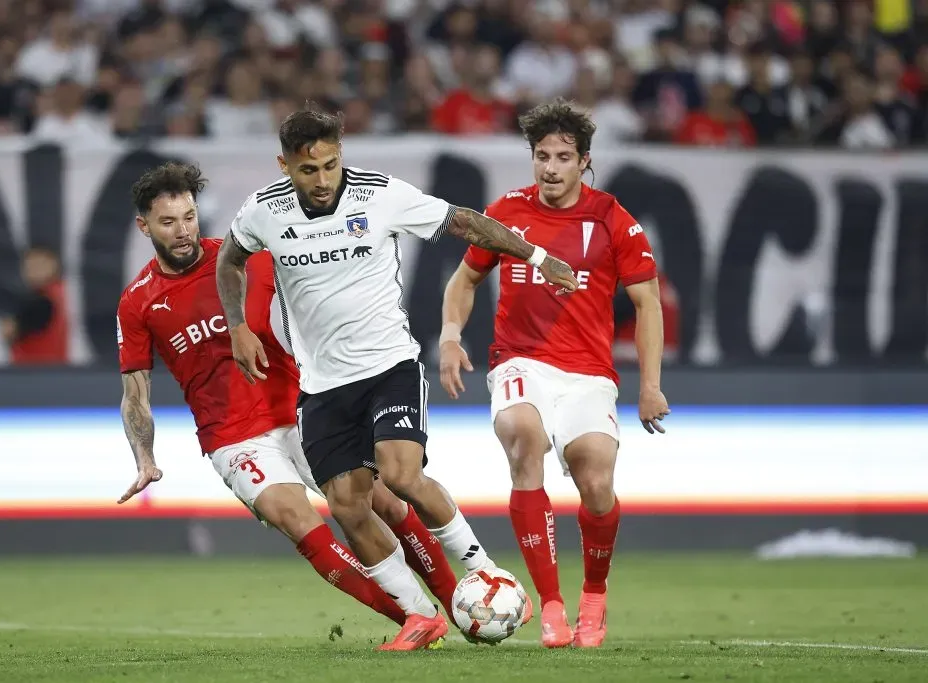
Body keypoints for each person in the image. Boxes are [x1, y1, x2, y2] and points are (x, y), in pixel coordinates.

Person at [215, 107, 578, 651]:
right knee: (346, 506)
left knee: (401, 474)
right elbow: (229, 261)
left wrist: (538, 254)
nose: (321, 180)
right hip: (322, 385)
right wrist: (238, 326)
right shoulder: (263, 211)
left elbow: (462, 220)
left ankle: (486, 570)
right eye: (308, 169)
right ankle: (418, 614)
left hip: (389, 367)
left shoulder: (380, 195)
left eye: (331, 165)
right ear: (284, 164)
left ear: (342, 157)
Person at [115, 162, 459, 638]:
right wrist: (145, 457)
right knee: (298, 521)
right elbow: (135, 394)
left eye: (189, 217)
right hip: (233, 438)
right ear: (144, 226)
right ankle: (416, 617)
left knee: (382, 499)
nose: (182, 231)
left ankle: (459, 601)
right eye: (168, 222)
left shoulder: (240, 261)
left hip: (298, 409)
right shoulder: (138, 302)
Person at [438, 98, 670, 649]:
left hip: (589, 373)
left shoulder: (613, 220)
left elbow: (648, 303)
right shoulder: (508, 213)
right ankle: (551, 606)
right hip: (519, 360)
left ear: (584, 161)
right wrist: (450, 337)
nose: (550, 167)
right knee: (521, 434)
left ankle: (593, 595)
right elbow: (463, 282)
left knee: (596, 482)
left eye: (563, 157)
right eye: (542, 156)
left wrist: (652, 385)